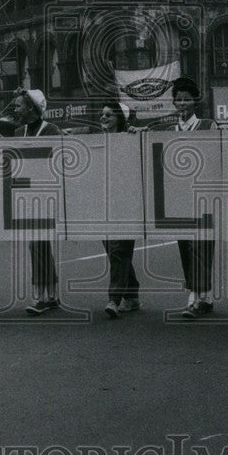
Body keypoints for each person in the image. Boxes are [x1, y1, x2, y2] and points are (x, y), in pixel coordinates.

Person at [153, 76, 218, 319]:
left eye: (186, 99)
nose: (181, 103)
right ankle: (203, 296)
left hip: (203, 196)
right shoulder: (172, 130)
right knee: (185, 247)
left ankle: (197, 297)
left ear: (195, 101)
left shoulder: (208, 125)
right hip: (179, 197)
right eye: (178, 99)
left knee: (202, 246)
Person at [11, 88, 63, 315]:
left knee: (38, 243)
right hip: (25, 194)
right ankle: (51, 294)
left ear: (31, 108)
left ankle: (41, 295)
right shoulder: (19, 131)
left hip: (46, 194)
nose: (15, 109)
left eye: (18, 105)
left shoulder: (51, 130)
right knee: (39, 243)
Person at [98, 101, 142, 318]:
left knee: (119, 250)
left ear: (120, 118)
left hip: (127, 203)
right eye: (102, 114)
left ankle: (114, 299)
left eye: (109, 115)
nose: (103, 118)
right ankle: (132, 294)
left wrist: (137, 134)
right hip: (104, 203)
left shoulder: (130, 138)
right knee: (114, 250)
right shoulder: (97, 141)